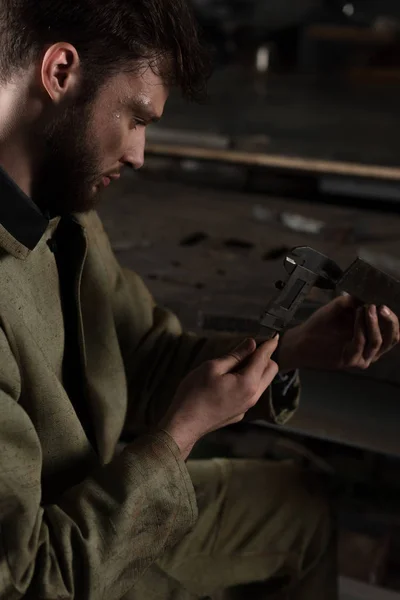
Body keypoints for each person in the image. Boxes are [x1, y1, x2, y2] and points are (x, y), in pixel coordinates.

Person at [0, 1, 397, 599]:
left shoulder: (59, 204)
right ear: (59, 73)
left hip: (109, 495)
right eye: (135, 118)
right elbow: (30, 583)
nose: (138, 155)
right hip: (67, 559)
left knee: (303, 506)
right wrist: (178, 437)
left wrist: (290, 349)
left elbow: (144, 354)